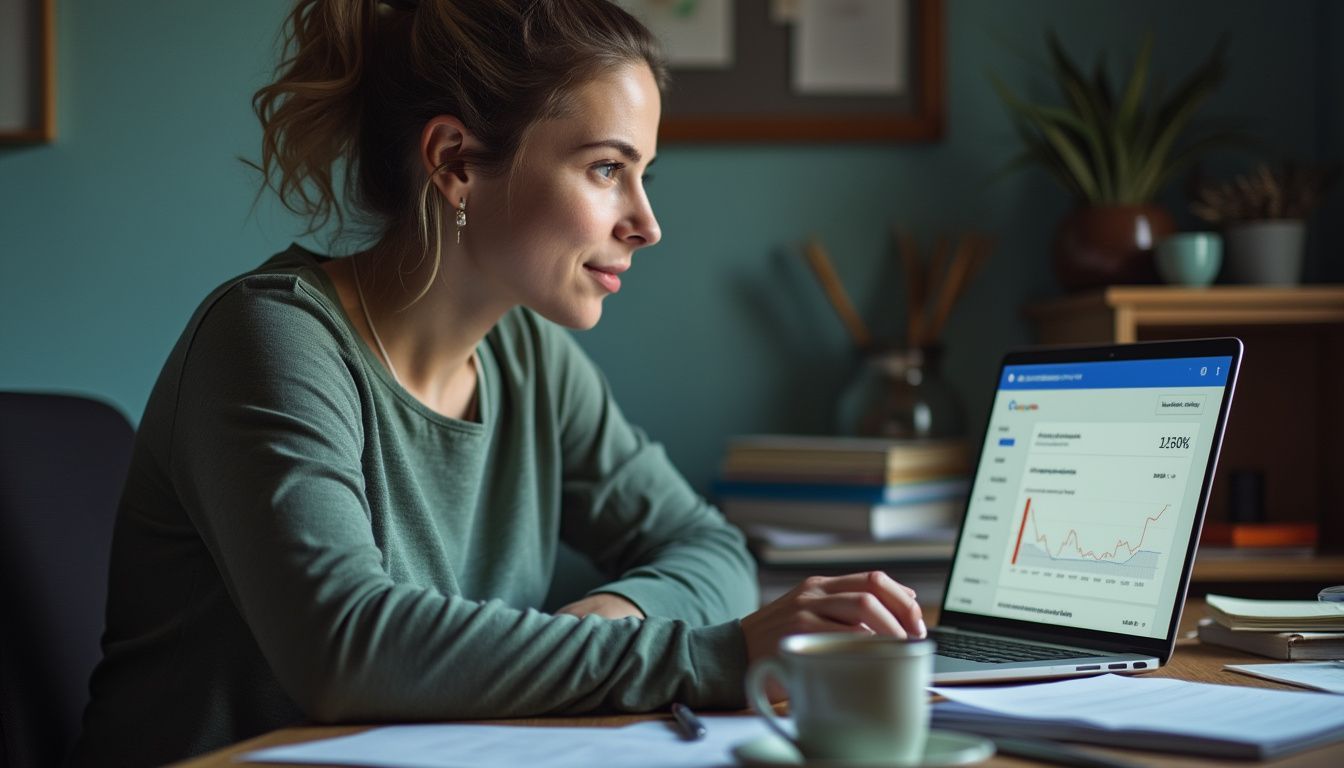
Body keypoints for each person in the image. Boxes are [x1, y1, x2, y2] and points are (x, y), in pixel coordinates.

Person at [71, 1, 924, 764]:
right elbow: (346, 650)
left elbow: (711, 549)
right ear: (455, 163)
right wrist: (714, 656)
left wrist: (616, 617)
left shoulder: (529, 357)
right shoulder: (270, 343)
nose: (647, 223)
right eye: (604, 169)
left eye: (643, 174)